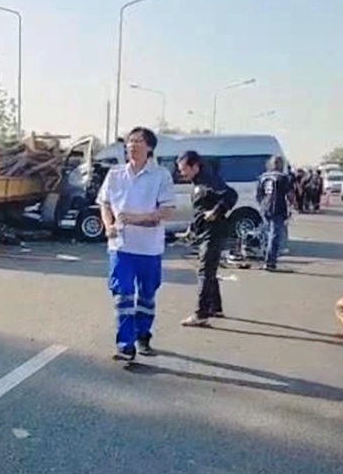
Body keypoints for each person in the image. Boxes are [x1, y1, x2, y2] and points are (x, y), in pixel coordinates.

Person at [96, 126, 176, 361]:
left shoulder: (161, 176)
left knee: (147, 295)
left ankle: (143, 335)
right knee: (123, 293)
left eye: (138, 141)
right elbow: (105, 203)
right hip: (121, 246)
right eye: (130, 141)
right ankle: (125, 345)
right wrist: (108, 225)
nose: (132, 145)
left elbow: (166, 211)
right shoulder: (115, 174)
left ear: (149, 147)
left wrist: (134, 218)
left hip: (149, 248)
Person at [176, 150, 237, 327]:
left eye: (184, 169)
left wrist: (217, 211)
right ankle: (215, 307)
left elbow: (231, 195)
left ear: (195, 166)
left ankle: (200, 314)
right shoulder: (198, 183)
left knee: (205, 272)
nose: (182, 173)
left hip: (213, 232)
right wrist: (192, 229)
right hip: (203, 232)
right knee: (209, 270)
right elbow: (200, 209)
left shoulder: (209, 180)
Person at [256, 155, 292, 271]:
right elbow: (289, 194)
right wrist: (291, 207)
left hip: (265, 207)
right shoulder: (283, 178)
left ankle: (264, 257)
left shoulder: (263, 177)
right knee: (275, 235)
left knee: (266, 234)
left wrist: (262, 205)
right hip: (277, 207)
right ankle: (270, 261)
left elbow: (259, 194)